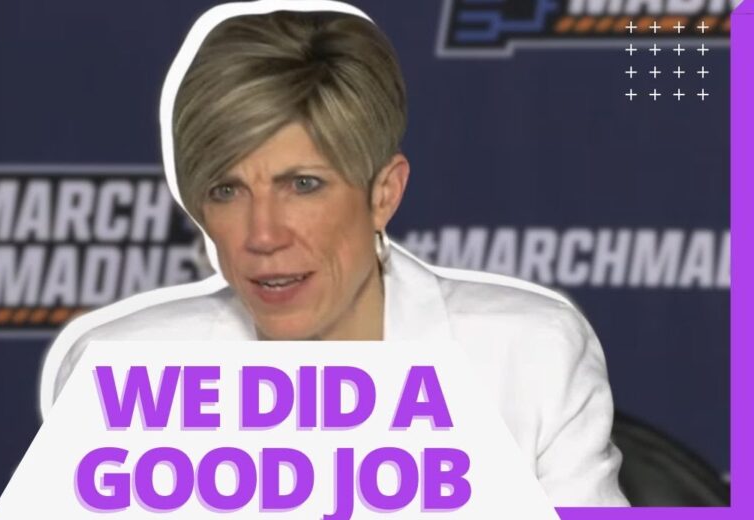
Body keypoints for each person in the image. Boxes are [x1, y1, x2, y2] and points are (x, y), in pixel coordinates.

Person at [38, 0, 628, 506]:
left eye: (303, 185)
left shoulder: (529, 357)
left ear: (383, 194)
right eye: (227, 191)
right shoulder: (120, 371)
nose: (262, 235)